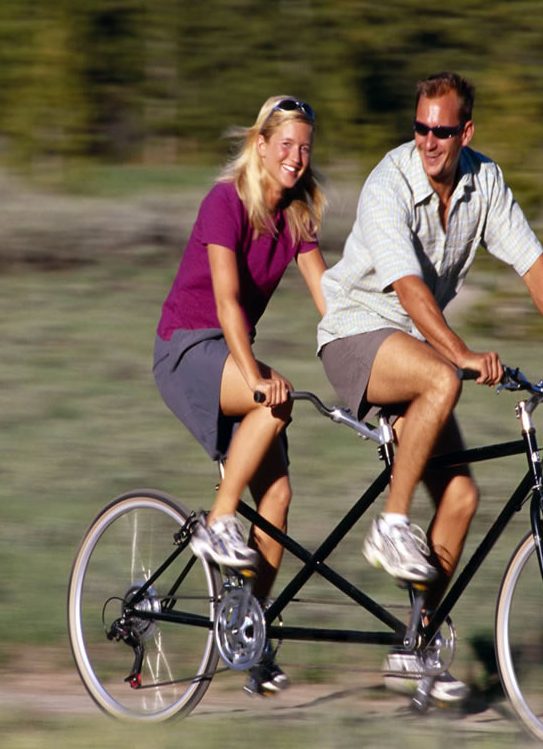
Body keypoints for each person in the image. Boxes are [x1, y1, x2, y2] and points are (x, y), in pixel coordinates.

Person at [316, 72, 543, 703]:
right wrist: (462, 353)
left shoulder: (484, 182)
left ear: (465, 132)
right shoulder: (390, 181)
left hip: (416, 349)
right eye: (420, 128)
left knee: (463, 496)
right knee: (444, 377)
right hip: (357, 335)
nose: (428, 142)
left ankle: (413, 651)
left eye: (441, 131)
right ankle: (391, 526)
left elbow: (531, 261)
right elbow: (410, 291)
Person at [153, 95, 327, 696]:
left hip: (230, 355)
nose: (297, 158)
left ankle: (250, 635)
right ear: (261, 145)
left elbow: (326, 295)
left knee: (278, 495)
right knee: (271, 402)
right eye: (286, 145)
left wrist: (366, 355)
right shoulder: (224, 202)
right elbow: (227, 300)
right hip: (186, 348)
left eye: (305, 147)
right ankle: (219, 521)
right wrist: (253, 375)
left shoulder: (297, 217)